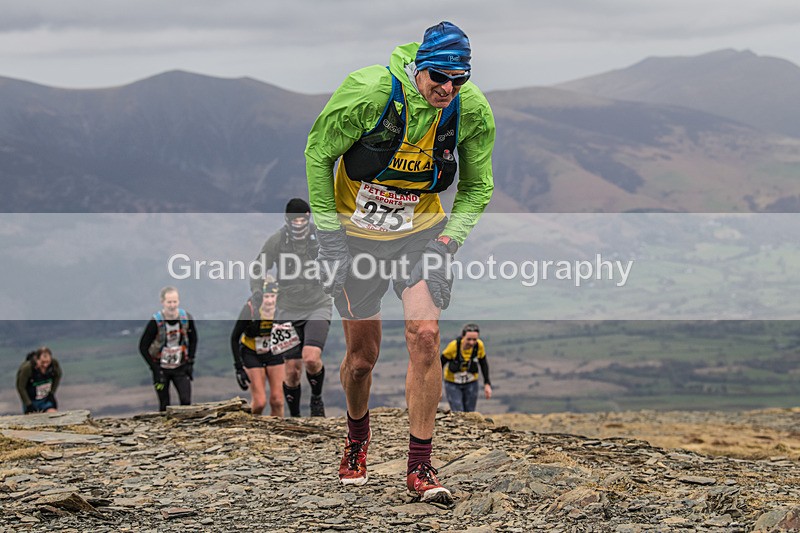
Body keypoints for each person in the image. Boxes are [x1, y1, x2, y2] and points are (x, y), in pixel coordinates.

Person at [305, 21, 495, 504]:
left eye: (460, 79)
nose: (447, 89)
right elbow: (318, 153)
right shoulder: (369, 92)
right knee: (362, 360)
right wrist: (329, 238)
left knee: (427, 335)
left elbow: (477, 188)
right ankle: (356, 438)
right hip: (354, 239)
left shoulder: (470, 111)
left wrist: (447, 244)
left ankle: (419, 465)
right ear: (419, 66)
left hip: (419, 236)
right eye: (439, 77)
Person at [249, 198, 332, 417]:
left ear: (308, 218)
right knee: (292, 370)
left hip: (318, 303)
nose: (298, 224)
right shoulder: (277, 240)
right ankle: (294, 417)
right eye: (293, 220)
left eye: (302, 219)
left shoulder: (320, 237)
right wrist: (257, 292)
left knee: (311, 358)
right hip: (286, 309)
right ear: (287, 220)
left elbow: (339, 257)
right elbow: (258, 267)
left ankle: (316, 399)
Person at [231, 277, 285, 416]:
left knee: (278, 401)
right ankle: (251, 430)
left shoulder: (282, 309)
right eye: (266, 296)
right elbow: (234, 338)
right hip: (251, 352)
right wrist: (239, 368)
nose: (269, 301)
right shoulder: (250, 310)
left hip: (273, 351)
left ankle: (277, 434)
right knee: (260, 402)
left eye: (272, 296)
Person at [138, 286, 198, 412]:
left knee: (186, 401)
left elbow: (194, 339)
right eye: (169, 302)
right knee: (164, 404)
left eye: (174, 302)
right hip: (161, 369)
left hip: (181, 367)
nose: (172, 305)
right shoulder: (156, 322)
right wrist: (154, 368)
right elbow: (143, 346)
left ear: (179, 301)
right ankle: (165, 430)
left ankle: (184, 429)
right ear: (162, 302)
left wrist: (190, 361)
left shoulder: (186, 318)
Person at [441, 323, 492, 412]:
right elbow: (440, 364)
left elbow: (483, 364)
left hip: (471, 383)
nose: (471, 342)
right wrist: (437, 386)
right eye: (469, 339)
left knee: (470, 412)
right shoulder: (453, 347)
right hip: (452, 383)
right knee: (458, 411)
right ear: (463, 336)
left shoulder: (479, 346)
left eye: (474, 339)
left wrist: (487, 384)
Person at [16, 346, 62, 414]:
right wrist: (28, 403)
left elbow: (58, 376)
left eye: (48, 362)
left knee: (53, 416)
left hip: (46, 399)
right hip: (31, 400)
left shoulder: (54, 365)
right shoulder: (27, 369)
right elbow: (21, 387)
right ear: (37, 359)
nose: (45, 365)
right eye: (42, 362)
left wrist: (52, 392)